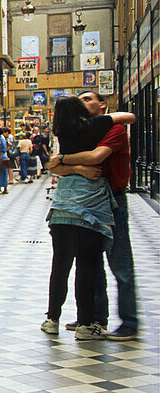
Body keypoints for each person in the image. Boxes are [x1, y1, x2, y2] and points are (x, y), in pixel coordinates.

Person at [41, 96, 135, 341]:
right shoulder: (91, 127)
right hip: (89, 206)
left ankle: (126, 322)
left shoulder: (105, 129)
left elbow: (88, 159)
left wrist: (64, 160)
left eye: (89, 98)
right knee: (90, 265)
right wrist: (74, 165)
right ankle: (90, 320)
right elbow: (68, 163)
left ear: (102, 104)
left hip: (94, 202)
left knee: (111, 265)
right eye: (81, 100)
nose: (85, 102)